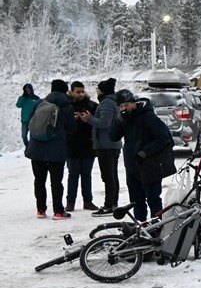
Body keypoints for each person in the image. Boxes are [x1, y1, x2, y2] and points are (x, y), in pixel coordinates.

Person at [109, 89, 176, 221]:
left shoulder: (147, 116)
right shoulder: (125, 119)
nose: (124, 109)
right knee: (136, 200)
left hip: (151, 165)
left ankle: (157, 226)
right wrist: (119, 120)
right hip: (132, 165)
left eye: (127, 105)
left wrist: (145, 152)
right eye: (121, 106)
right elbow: (113, 137)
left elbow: (164, 138)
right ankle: (142, 226)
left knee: (153, 198)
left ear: (134, 103)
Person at [25, 79, 76, 219]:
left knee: (39, 180)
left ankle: (40, 210)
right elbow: (71, 128)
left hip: (36, 148)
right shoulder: (66, 106)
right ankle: (58, 211)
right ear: (65, 90)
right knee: (56, 182)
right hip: (56, 150)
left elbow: (29, 121)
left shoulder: (39, 103)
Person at [80, 77, 122, 210]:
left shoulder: (106, 103)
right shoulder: (113, 101)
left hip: (106, 144)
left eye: (98, 89)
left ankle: (109, 205)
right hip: (111, 143)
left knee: (108, 176)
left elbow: (104, 123)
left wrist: (89, 119)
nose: (96, 92)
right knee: (112, 175)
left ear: (102, 91)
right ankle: (113, 203)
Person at [65, 81, 98, 211]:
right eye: (78, 92)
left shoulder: (91, 105)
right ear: (71, 92)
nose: (81, 94)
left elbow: (97, 123)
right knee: (73, 174)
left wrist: (88, 119)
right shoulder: (67, 106)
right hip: (72, 145)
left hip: (88, 144)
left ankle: (88, 201)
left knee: (86, 174)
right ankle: (70, 202)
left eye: (82, 91)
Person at [16, 83, 40, 149]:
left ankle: (32, 147)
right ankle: (27, 145)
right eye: (26, 89)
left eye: (28, 89)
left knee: (33, 135)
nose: (27, 90)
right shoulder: (23, 98)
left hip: (34, 120)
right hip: (25, 120)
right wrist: (23, 97)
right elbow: (18, 105)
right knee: (24, 135)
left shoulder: (36, 98)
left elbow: (39, 107)